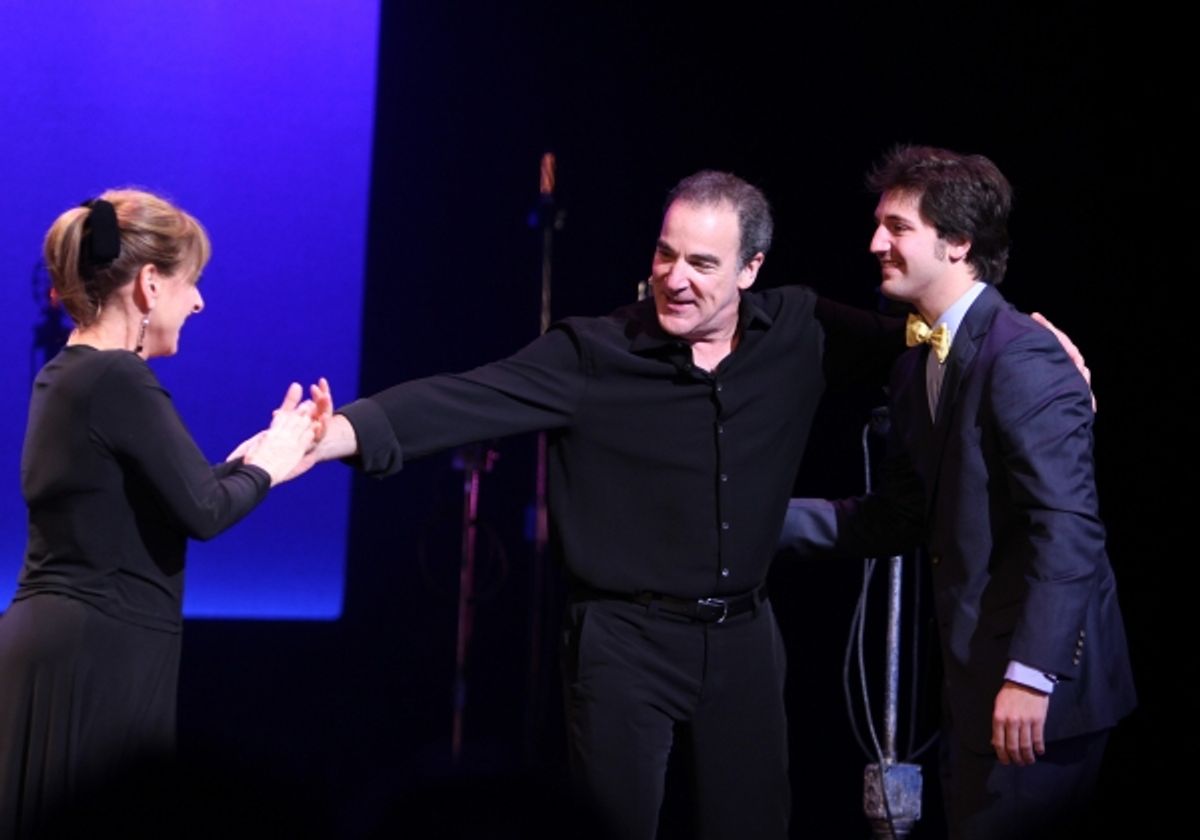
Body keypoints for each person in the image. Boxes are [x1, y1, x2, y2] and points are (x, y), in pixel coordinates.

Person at [296, 170, 1090, 840]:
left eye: (704, 264)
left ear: (751, 269)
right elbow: (462, 399)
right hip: (622, 639)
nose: (676, 278)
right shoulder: (595, 353)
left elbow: (935, 342)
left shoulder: (801, 330)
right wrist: (340, 433)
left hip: (742, 635)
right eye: (666, 255)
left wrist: (1043, 356)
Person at [781, 146, 1136, 839]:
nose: (875, 243)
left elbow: (1067, 527)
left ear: (958, 243)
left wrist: (1032, 675)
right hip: (974, 688)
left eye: (897, 226)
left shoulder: (1022, 355)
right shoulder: (918, 366)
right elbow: (899, 517)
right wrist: (753, 523)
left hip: (1040, 695)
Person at [0, 189, 318, 838]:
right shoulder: (119, 377)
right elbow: (202, 511)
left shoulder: (68, 375)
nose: (198, 301)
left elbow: (174, 494)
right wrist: (267, 466)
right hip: (96, 657)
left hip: (57, 649)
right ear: (149, 285)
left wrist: (262, 461)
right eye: (190, 282)